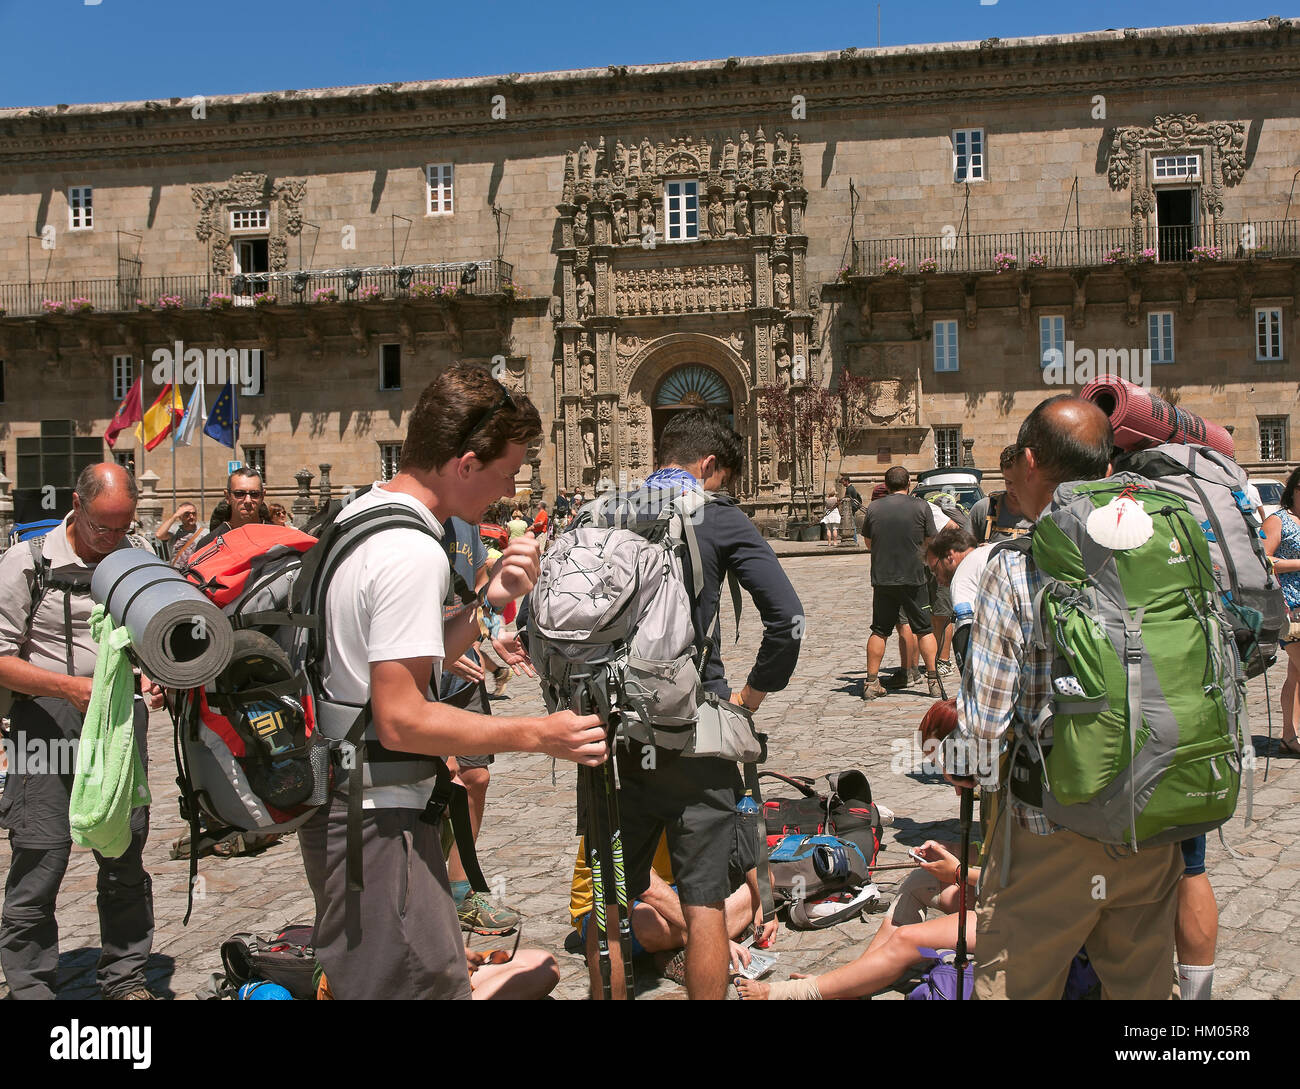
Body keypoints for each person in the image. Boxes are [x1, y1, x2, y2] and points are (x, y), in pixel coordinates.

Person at [297, 363, 607, 1000]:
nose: (510, 489)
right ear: (466, 463)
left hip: (345, 804)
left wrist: (490, 601)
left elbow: (402, 655)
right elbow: (402, 717)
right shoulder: (411, 551)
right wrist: (537, 734)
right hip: (378, 824)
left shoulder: (363, 516)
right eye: (506, 473)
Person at [957, 394, 1184, 1000]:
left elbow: (982, 732)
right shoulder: (1162, 550)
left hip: (1051, 830)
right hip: (1153, 814)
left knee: (1016, 986)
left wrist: (958, 771)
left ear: (1028, 462)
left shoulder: (1013, 568)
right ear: (1107, 471)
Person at [589, 408, 801, 1000]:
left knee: (608, 894)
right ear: (709, 465)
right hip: (689, 723)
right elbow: (789, 618)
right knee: (703, 896)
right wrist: (752, 695)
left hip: (605, 727)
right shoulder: (719, 516)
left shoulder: (603, 510)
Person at [0, 463, 165, 1000]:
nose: (112, 541)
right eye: (102, 528)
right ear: (77, 504)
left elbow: (155, 637)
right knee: (40, 857)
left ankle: (126, 977)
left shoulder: (137, 560)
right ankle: (30, 988)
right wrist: (67, 688)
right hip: (45, 723)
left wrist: (155, 676)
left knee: (124, 856)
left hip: (117, 722)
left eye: (122, 529)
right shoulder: (27, 563)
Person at [736, 839, 979, 1000]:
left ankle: (792, 992)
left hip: (1009, 918)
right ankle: (858, 981)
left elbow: (1011, 882)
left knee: (909, 939)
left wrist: (959, 873)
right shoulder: (997, 792)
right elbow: (985, 854)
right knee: (919, 883)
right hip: (993, 896)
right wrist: (948, 850)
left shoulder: (1012, 791)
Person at [438, 515, 529, 936]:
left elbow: (476, 588)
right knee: (443, 779)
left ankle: (460, 892)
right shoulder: (412, 522)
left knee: (475, 776)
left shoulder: (468, 525)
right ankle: (421, 894)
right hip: (419, 674)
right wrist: (436, 649)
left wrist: (491, 634)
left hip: (463, 674)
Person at [570, 830, 773, 985]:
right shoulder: (627, 798)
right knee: (648, 920)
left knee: (762, 884)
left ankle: (678, 943)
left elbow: (748, 846)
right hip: (611, 904)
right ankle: (696, 935)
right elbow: (644, 885)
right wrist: (713, 935)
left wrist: (766, 903)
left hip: (673, 890)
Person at [861, 466, 943, 699]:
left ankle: (871, 682)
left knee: (879, 631)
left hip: (883, 578)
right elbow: (931, 540)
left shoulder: (874, 508)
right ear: (908, 484)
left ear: (886, 485)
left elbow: (869, 543)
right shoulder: (920, 506)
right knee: (924, 629)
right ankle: (933, 680)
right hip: (914, 577)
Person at [1262, 463, 1300, 756]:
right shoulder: (1279, 521)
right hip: (1291, 608)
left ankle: (1290, 736)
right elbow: (1263, 559)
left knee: (1295, 675)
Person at [968, 445, 1033, 543]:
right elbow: (962, 551)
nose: (1014, 489)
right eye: (1009, 482)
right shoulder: (984, 509)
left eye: (1019, 482)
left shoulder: (1044, 514)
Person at [839, 474, 863, 546]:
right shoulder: (850, 488)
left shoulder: (850, 489)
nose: (843, 484)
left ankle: (854, 539)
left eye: (843, 482)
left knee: (851, 524)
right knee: (851, 523)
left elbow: (849, 499)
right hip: (851, 509)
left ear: (847, 481)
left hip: (850, 509)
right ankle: (854, 539)